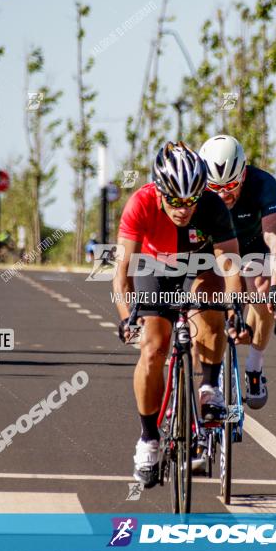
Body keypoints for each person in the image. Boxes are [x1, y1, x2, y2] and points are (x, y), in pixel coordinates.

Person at [113, 141, 248, 488]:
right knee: (154, 347)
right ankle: (148, 439)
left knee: (212, 304)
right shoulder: (139, 203)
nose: (184, 209)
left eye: (191, 201)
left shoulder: (213, 206)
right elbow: (122, 273)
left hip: (199, 264)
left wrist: (236, 308)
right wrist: (128, 315)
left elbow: (231, 265)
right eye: (175, 201)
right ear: (159, 191)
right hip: (154, 267)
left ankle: (207, 388)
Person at [198, 135, 276, 410]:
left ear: (244, 173)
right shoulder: (198, 189)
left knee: (263, 293)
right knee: (202, 308)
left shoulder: (263, 184)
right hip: (213, 246)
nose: (224, 195)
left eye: (230, 186)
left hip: (253, 244)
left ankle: (254, 367)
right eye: (215, 188)